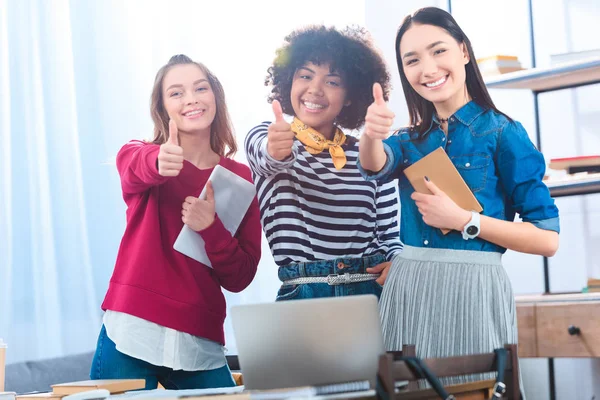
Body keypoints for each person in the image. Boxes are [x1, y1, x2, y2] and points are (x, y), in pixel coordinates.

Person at [358, 7, 559, 390]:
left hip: (475, 294)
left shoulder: (504, 133)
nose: (427, 69)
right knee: (406, 392)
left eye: (438, 51)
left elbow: (547, 239)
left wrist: (465, 219)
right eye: (412, 60)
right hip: (410, 288)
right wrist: (370, 134)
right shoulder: (408, 139)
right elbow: (375, 165)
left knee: (475, 391)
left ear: (464, 52)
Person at [91, 55, 261, 389]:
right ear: (162, 107)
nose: (191, 99)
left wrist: (211, 228)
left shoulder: (240, 178)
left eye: (201, 88)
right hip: (132, 333)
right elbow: (136, 165)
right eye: (176, 93)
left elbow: (240, 277)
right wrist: (158, 160)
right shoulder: (141, 155)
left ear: (216, 97)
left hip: (200, 340)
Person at [244, 25, 403, 301]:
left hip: (372, 292)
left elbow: (391, 235)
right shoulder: (267, 136)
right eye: (305, 76)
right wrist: (275, 149)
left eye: (332, 81)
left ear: (350, 94)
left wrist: (397, 263)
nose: (315, 89)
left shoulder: (368, 153)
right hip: (304, 292)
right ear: (288, 82)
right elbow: (268, 158)